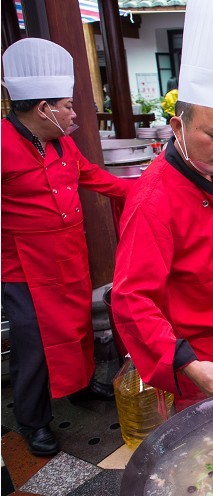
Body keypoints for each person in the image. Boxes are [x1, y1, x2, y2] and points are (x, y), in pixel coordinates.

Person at [112, 0, 213, 410]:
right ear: (178, 126)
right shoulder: (154, 199)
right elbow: (131, 298)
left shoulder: (209, 173)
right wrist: (184, 360)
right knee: (209, 455)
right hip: (199, 359)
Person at [1, 38, 132, 456]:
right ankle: (33, 420)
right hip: (23, 266)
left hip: (68, 256)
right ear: (43, 109)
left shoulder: (62, 143)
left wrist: (148, 190)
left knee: (77, 328)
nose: (74, 113)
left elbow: (97, 178)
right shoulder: (2, 142)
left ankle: (80, 386)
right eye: (67, 105)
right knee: (34, 344)